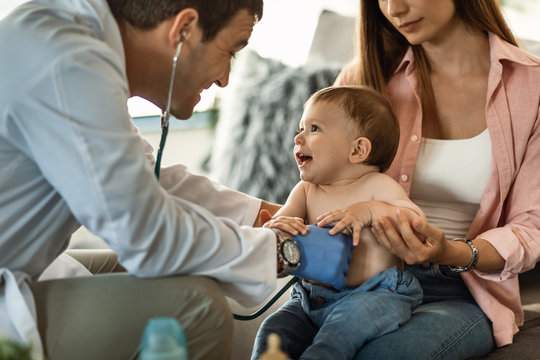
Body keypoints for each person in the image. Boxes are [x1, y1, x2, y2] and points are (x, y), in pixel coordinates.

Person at [0, 1, 353, 359]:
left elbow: (145, 181)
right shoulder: (66, 63)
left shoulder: (81, 44)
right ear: (183, 29)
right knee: (197, 308)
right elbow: (144, 231)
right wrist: (286, 251)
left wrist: (278, 215)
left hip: (18, 268)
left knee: (182, 277)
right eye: (229, 50)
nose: (224, 78)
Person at [315, 0, 539, 359]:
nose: (394, 8)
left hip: (460, 290)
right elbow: (317, 189)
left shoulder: (532, 84)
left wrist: (448, 251)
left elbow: (531, 227)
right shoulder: (364, 80)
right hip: (361, 281)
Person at [251, 86, 425, 360]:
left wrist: (370, 211)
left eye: (314, 128)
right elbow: (278, 229)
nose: (298, 137)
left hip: (376, 294)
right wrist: (274, 229)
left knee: (337, 336)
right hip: (311, 296)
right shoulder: (305, 191)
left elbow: (416, 222)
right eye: (300, 128)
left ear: (358, 149)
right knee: (273, 330)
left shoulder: (377, 186)